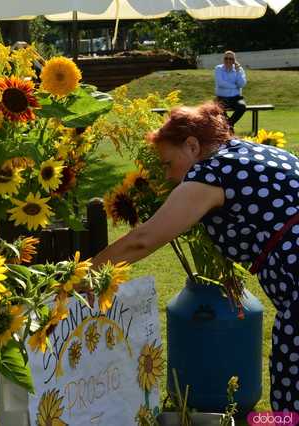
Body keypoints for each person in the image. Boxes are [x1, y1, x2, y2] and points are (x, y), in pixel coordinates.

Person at [91, 102, 299, 412]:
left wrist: (86, 272)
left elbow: (143, 240)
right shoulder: (256, 153)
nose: (170, 176)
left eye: (167, 164)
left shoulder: (211, 172)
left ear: (192, 145)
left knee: (291, 391)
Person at [214, 50, 247, 131]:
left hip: (236, 98)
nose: (228, 60)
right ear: (223, 59)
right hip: (221, 97)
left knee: (242, 107)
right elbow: (221, 83)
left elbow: (242, 84)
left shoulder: (239, 69)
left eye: (231, 59)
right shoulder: (218, 68)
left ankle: (229, 125)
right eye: (226, 58)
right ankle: (229, 128)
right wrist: (235, 86)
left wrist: (238, 71)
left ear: (234, 60)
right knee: (218, 109)